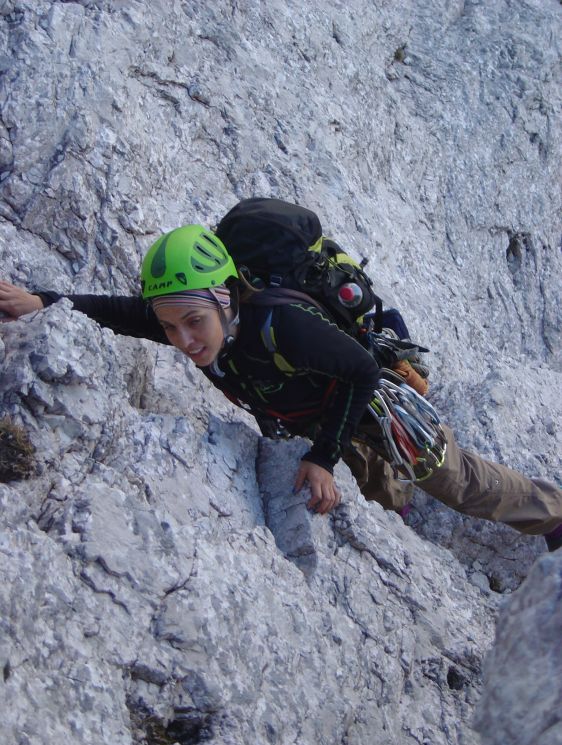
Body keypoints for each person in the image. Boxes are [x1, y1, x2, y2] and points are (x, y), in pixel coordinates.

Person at [1, 224, 561, 552]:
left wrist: (322, 457)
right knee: (379, 496)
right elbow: (120, 313)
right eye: (169, 326)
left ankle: (552, 513)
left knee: (458, 483)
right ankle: (399, 509)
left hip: (372, 406)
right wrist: (43, 302)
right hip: (315, 415)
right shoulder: (194, 320)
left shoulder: (280, 324)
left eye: (193, 322)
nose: (184, 341)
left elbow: (361, 374)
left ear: (225, 297)